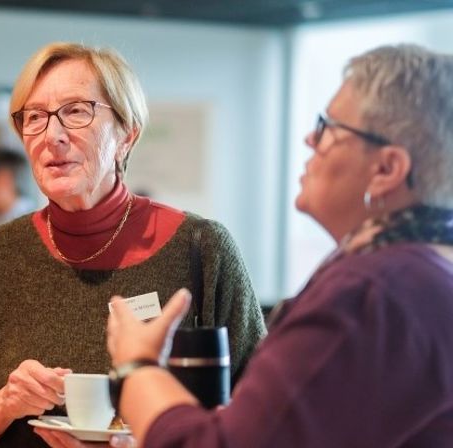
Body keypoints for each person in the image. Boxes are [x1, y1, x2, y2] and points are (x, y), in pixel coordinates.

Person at [105, 44, 453, 448]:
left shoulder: (372, 292)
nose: (310, 139)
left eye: (329, 128)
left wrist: (137, 366)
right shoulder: (424, 273)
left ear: (387, 169)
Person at [0, 42, 266, 448]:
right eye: (34, 117)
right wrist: (2, 406)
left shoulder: (202, 250)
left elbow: (266, 420)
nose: (52, 135)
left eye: (76, 111)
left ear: (126, 134)